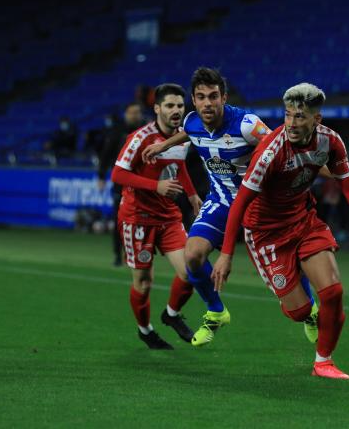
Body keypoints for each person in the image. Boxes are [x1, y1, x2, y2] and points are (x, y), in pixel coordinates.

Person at [211, 83, 349, 379]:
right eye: (288, 115)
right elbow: (240, 204)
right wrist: (226, 255)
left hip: (303, 220)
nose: (292, 124)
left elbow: (346, 180)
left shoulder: (330, 142)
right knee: (298, 312)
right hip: (265, 233)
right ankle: (305, 308)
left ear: (316, 120)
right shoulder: (269, 152)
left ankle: (323, 362)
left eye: (300, 117)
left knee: (333, 292)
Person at [141, 68, 324, 347]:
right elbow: (188, 134)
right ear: (194, 99)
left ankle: (309, 310)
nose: (207, 103)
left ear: (223, 97)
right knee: (192, 255)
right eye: (201, 97)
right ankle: (216, 311)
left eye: (213, 96)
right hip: (222, 201)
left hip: (260, 205)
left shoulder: (247, 125)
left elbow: (284, 146)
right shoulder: (192, 122)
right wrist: (162, 145)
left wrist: (327, 171)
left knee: (289, 266)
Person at [111, 84, 203, 349]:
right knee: (143, 281)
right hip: (137, 218)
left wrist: (192, 193)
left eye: (180, 105)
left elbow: (179, 165)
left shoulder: (180, 137)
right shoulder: (141, 137)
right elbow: (118, 175)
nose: (176, 110)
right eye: (170, 105)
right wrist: (156, 186)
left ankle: (171, 314)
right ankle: (145, 329)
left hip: (168, 217)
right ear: (157, 109)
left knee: (191, 271)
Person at [98, 102, 146, 266]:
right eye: (132, 112)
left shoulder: (147, 130)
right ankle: (118, 255)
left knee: (140, 221)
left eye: (137, 112)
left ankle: (136, 253)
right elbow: (105, 154)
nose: (135, 115)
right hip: (121, 182)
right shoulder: (117, 131)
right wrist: (101, 176)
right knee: (120, 220)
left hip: (142, 182)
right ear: (126, 113)